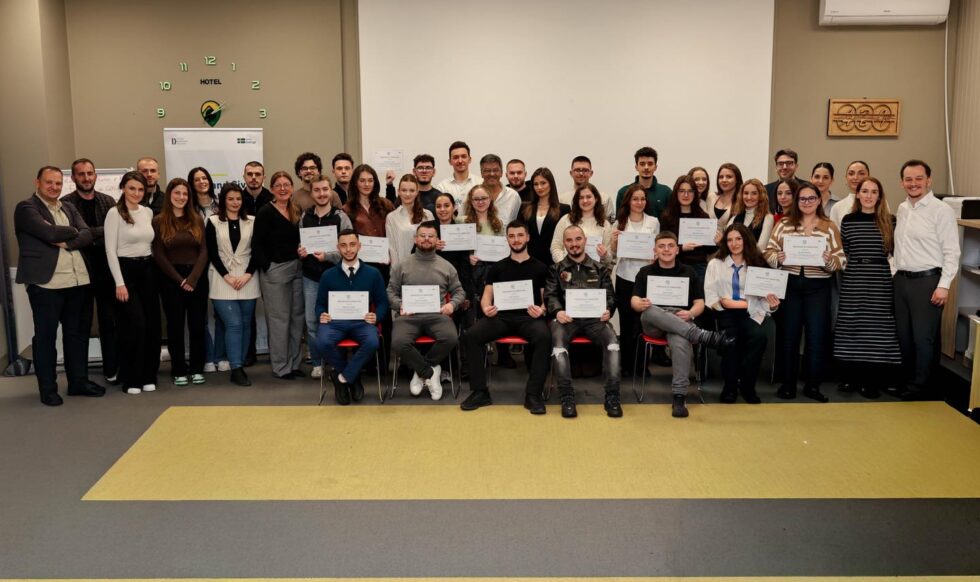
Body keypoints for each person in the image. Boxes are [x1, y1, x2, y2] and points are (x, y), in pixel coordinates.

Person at [15, 166, 95, 406]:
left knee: (76, 336)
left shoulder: (68, 207)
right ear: (37, 182)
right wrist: (72, 231)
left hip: (77, 281)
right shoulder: (26, 208)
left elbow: (88, 234)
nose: (54, 187)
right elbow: (48, 233)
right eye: (49, 182)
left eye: (58, 183)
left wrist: (68, 239)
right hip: (46, 284)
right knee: (46, 338)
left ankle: (78, 382)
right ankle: (48, 389)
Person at [633, 231, 735, 416]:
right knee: (649, 310)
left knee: (680, 339)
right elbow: (634, 300)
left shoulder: (689, 272)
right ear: (655, 250)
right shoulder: (645, 271)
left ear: (677, 250)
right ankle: (699, 335)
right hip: (654, 323)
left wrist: (691, 313)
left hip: (681, 321)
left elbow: (700, 303)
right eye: (661, 246)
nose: (666, 249)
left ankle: (679, 396)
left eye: (670, 246)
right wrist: (639, 303)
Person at [764, 182, 845, 402]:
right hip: (790, 285)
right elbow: (768, 252)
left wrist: (828, 261)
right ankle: (788, 385)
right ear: (796, 201)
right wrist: (778, 258)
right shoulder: (784, 224)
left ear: (819, 200)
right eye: (802, 198)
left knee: (816, 337)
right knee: (789, 336)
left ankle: (813, 386)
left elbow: (841, 259)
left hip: (818, 287)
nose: (807, 202)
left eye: (811, 198)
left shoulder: (829, 226)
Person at [460, 221, 552, 412]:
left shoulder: (541, 268)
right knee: (472, 335)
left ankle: (533, 394)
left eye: (520, 235)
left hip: (529, 318)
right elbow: (487, 296)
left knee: (544, 337)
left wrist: (542, 310)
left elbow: (546, 299)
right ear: (507, 239)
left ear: (528, 237)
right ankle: (480, 392)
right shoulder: (498, 268)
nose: (516, 240)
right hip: (501, 318)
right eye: (511, 236)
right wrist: (486, 308)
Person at [892, 160, 960, 400]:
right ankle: (908, 380)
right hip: (902, 281)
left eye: (919, 178)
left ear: (929, 180)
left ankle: (921, 386)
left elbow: (952, 252)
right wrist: (894, 271)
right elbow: (900, 247)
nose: (913, 183)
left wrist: (943, 286)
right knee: (905, 336)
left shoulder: (941, 210)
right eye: (908, 179)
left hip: (927, 282)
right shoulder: (902, 208)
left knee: (923, 338)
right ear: (902, 182)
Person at [834, 176, 901, 398]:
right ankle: (850, 377)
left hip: (880, 279)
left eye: (874, 192)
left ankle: (871, 380)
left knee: (878, 328)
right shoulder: (848, 220)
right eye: (865, 191)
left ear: (879, 196)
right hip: (854, 278)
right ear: (858, 194)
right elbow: (844, 251)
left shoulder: (890, 220)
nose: (869, 196)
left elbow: (896, 252)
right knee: (851, 325)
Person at [546, 225, 622, 418]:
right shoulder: (556, 269)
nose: (574, 244)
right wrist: (558, 311)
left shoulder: (600, 268)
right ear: (564, 244)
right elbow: (550, 295)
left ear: (585, 241)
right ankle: (567, 396)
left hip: (595, 321)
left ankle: (612, 396)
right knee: (558, 346)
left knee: (613, 343)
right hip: (566, 320)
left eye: (578, 239)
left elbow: (611, 296)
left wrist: (608, 310)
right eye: (569, 240)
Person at [388, 222, 465, 400]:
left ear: (437, 240)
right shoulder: (402, 265)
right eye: (422, 236)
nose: (426, 239)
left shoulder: (446, 266)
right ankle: (430, 371)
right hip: (408, 316)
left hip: (437, 316)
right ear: (415, 239)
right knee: (398, 342)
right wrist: (399, 305)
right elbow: (391, 290)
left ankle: (421, 371)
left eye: (431, 236)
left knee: (450, 338)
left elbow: (459, 292)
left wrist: (451, 305)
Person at [705, 224, 780, 404]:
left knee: (759, 337)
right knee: (731, 340)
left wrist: (772, 306)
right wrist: (724, 305)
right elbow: (711, 296)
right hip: (724, 313)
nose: (734, 243)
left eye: (738, 239)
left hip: (749, 313)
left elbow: (764, 302)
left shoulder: (758, 265)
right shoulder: (715, 264)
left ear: (746, 240)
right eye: (730, 240)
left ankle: (747, 386)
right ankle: (730, 387)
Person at [62, 158, 119, 385]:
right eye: (81, 174)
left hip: (106, 271)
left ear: (95, 175)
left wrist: (86, 235)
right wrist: (95, 233)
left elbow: (113, 233)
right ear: (73, 177)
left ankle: (112, 370)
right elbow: (71, 235)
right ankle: (79, 376)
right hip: (79, 272)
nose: (86, 178)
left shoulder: (108, 201)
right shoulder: (66, 204)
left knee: (109, 322)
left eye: (90, 173)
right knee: (80, 325)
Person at [316, 230, 388, 405]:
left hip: (362, 323)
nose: (348, 249)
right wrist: (321, 314)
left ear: (359, 246)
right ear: (338, 247)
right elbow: (319, 304)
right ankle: (352, 376)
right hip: (335, 323)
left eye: (352, 244)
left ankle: (341, 377)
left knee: (372, 342)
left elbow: (382, 303)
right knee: (322, 342)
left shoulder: (373, 273)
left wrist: (376, 316)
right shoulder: (328, 275)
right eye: (343, 245)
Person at [104, 171, 161, 394]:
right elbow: (110, 251)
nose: (136, 193)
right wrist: (119, 283)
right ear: (123, 188)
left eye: (140, 189)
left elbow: (150, 244)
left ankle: (149, 376)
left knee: (152, 325)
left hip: (148, 270)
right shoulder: (114, 213)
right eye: (132, 188)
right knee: (135, 326)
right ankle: (132, 378)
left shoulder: (147, 212)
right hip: (125, 272)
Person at [152, 178, 209, 386]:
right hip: (171, 280)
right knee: (175, 327)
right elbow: (159, 254)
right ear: (169, 195)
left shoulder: (197, 219)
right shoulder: (159, 221)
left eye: (185, 194)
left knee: (197, 326)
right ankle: (178, 370)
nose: (181, 197)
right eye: (177, 193)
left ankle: (196, 368)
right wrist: (180, 280)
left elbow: (204, 251)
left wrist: (192, 279)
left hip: (196, 278)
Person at [253, 171, 306, 380]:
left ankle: (294, 363)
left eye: (286, 185)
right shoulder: (266, 211)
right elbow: (256, 244)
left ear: (292, 187)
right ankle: (281, 366)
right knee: (279, 320)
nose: (283, 188)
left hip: (297, 268)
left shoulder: (296, 209)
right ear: (272, 189)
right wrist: (268, 266)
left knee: (296, 319)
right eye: (278, 185)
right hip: (275, 271)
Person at [206, 183, 260, 387]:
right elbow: (211, 252)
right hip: (222, 279)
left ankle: (240, 364)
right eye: (230, 199)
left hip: (248, 278)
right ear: (223, 201)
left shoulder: (252, 221)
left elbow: (257, 250)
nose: (235, 202)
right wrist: (227, 276)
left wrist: (247, 274)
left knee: (245, 323)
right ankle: (236, 368)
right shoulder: (213, 221)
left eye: (238, 199)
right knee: (234, 323)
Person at [298, 174, 351, 378]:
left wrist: (328, 256)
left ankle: (337, 362)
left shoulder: (341, 217)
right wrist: (301, 251)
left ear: (331, 191)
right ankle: (317, 362)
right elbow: (302, 243)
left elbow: (349, 249)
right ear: (311, 193)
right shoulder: (305, 216)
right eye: (317, 190)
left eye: (325, 189)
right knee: (312, 322)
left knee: (337, 321)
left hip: (336, 278)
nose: (321, 194)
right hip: (311, 277)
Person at [344, 164, 395, 369]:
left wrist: (390, 254)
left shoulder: (385, 205)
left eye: (370, 180)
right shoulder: (347, 209)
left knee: (383, 312)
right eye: (362, 180)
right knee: (362, 313)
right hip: (360, 268)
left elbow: (394, 232)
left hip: (383, 266)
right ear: (355, 183)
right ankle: (365, 362)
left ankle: (383, 362)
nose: (366, 184)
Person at [611, 183, 660, 377]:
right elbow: (613, 254)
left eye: (642, 199)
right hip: (625, 276)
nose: (639, 202)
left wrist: (655, 255)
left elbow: (657, 248)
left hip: (646, 278)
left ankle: (642, 365)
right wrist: (614, 242)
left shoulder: (653, 222)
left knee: (642, 323)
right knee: (626, 322)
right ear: (628, 201)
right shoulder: (619, 223)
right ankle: (626, 365)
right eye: (635, 199)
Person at [188, 166, 228, 373]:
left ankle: (221, 356)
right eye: (197, 179)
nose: (202, 182)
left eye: (204, 178)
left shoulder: (220, 206)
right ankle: (208, 356)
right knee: (200, 316)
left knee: (221, 314)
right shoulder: (188, 208)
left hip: (219, 265)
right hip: (196, 266)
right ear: (191, 184)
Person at [660, 175, 715, 283]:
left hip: (699, 268)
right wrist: (681, 248)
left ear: (695, 194)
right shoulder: (667, 217)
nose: (686, 195)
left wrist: (717, 241)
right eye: (682, 191)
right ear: (676, 193)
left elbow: (710, 250)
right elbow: (662, 245)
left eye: (690, 191)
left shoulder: (703, 217)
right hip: (674, 265)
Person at [550, 183, 613, 267]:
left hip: (594, 272)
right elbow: (555, 246)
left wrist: (604, 255)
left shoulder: (605, 224)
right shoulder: (566, 219)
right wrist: (564, 265)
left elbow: (609, 259)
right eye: (581, 198)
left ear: (596, 199)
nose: (585, 201)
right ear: (577, 201)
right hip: (568, 271)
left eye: (588, 197)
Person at [520, 167, 570, 267]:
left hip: (554, 263)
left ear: (551, 184)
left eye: (543, 183)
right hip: (529, 263)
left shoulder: (564, 209)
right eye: (536, 184)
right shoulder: (524, 208)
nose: (539, 187)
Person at [386, 174, 434, 267]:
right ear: (398, 192)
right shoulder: (391, 217)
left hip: (426, 267)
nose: (408, 194)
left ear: (417, 192)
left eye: (411, 190)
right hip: (403, 269)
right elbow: (392, 249)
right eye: (404, 190)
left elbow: (433, 243)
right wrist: (397, 272)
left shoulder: (428, 215)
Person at [614, 146, 672, 220]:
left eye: (650, 164)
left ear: (655, 167)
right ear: (636, 167)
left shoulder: (666, 192)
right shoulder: (624, 192)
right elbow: (619, 221)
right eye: (642, 164)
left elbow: (672, 220)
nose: (646, 167)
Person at [719, 178, 774, 249]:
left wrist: (736, 249)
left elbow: (761, 247)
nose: (749, 197)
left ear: (761, 196)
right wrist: (720, 241)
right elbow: (726, 243)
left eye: (754, 193)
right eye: (746, 193)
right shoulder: (734, 218)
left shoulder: (768, 218)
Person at [477, 154, 521, 224]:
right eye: (487, 171)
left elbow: (517, 225)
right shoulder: (473, 196)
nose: (492, 174)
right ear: (481, 173)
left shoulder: (513, 196)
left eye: (495, 170)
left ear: (501, 173)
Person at [435, 141, 480, 209]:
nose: (460, 161)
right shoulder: (442, 187)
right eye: (456, 157)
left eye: (463, 156)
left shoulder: (480, 183)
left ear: (469, 159)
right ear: (450, 161)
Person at [829, 161, 871, 228]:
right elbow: (834, 234)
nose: (855, 177)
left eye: (861, 173)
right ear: (846, 177)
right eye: (851, 174)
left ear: (868, 177)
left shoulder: (880, 203)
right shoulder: (837, 207)